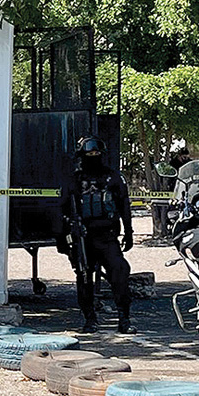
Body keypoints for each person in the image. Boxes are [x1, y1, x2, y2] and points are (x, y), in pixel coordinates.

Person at [60, 136, 135, 334]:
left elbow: (124, 206)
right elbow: (63, 209)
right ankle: (90, 319)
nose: (93, 157)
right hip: (83, 238)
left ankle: (124, 319)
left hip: (108, 237)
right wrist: (63, 240)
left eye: (96, 153)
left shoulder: (112, 178)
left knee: (119, 273)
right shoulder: (75, 180)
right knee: (84, 277)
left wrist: (128, 232)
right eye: (89, 154)